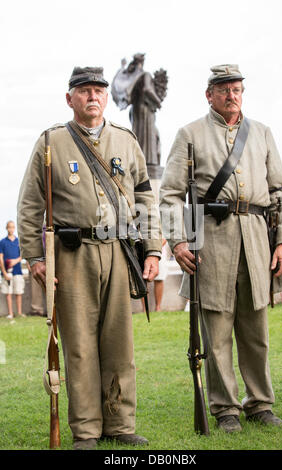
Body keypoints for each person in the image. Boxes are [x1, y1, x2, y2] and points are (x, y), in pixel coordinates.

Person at [17, 66, 162, 450]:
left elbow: (146, 198)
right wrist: (34, 258)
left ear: (105, 96)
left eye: (98, 89)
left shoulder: (127, 141)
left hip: (119, 251)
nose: (92, 96)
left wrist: (152, 248)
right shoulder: (51, 141)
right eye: (83, 91)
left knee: (119, 342)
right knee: (79, 344)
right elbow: (30, 205)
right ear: (70, 99)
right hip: (71, 255)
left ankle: (120, 424)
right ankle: (86, 431)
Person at [159, 64, 282, 433]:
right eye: (224, 90)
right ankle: (225, 409)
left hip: (256, 239)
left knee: (256, 330)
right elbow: (169, 195)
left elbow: (279, 192)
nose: (232, 96)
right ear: (209, 95)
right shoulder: (190, 134)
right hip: (212, 241)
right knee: (216, 331)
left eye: (237, 89)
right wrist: (179, 240)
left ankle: (260, 403)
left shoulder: (262, 133)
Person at [0, 221, 25, 319]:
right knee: (8, 293)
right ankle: (10, 313)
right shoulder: (2, 242)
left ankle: (19, 313)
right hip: (7, 272)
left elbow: (22, 254)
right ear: (7, 228)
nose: (11, 229)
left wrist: (15, 261)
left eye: (13, 227)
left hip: (17, 271)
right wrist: (4, 272)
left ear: (15, 228)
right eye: (9, 227)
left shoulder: (18, 241)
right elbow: (0, 258)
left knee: (18, 292)